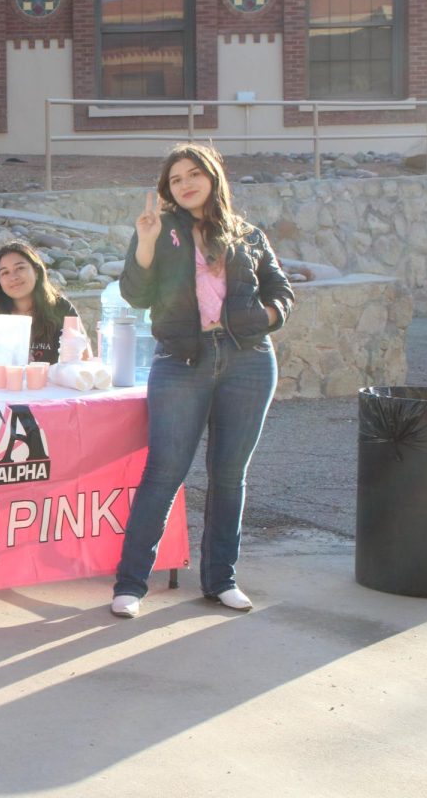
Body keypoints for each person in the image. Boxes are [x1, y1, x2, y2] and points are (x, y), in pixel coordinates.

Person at [110, 143, 294, 619]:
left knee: (230, 475)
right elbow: (135, 293)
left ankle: (221, 580)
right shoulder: (160, 230)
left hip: (248, 360)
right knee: (164, 473)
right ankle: (130, 585)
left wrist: (263, 316)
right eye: (176, 179)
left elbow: (282, 291)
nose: (186, 183)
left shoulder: (247, 235)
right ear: (167, 190)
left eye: (194, 174)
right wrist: (145, 241)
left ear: (212, 177)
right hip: (181, 361)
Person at [0, 241, 81, 371]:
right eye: (5, 273)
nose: (13, 277)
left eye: (20, 268)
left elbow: (83, 357)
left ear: (36, 271)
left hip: (49, 389)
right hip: (1, 389)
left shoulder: (61, 308)